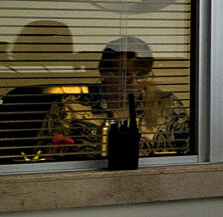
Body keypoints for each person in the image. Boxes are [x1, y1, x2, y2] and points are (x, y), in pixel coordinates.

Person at [48, 35, 191, 164]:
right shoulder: (71, 107)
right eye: (124, 75)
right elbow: (48, 156)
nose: (133, 82)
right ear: (103, 72)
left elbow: (188, 155)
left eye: (141, 75)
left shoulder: (166, 105)